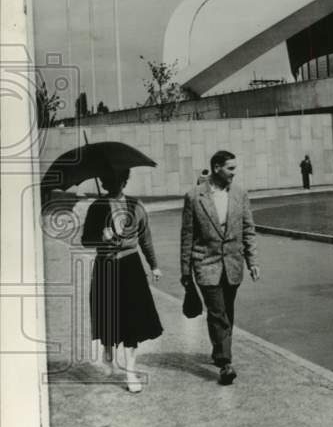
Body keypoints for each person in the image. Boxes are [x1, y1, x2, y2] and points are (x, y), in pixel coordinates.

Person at [180, 150, 261, 385]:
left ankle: (221, 351)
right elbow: (187, 236)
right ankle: (225, 363)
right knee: (217, 312)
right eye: (230, 169)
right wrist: (185, 272)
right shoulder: (194, 197)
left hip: (233, 264)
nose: (235, 173)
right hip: (205, 263)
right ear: (216, 168)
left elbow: (248, 229)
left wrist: (252, 261)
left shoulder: (240, 194)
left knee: (227, 312)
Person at [80, 168, 163, 393]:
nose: (115, 182)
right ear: (104, 181)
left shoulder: (135, 206)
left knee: (132, 322)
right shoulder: (97, 207)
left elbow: (146, 238)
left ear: (125, 180)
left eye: (119, 179)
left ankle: (130, 373)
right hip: (106, 266)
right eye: (110, 179)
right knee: (108, 316)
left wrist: (154, 265)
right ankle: (108, 350)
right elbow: (86, 239)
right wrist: (101, 235)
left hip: (130, 267)